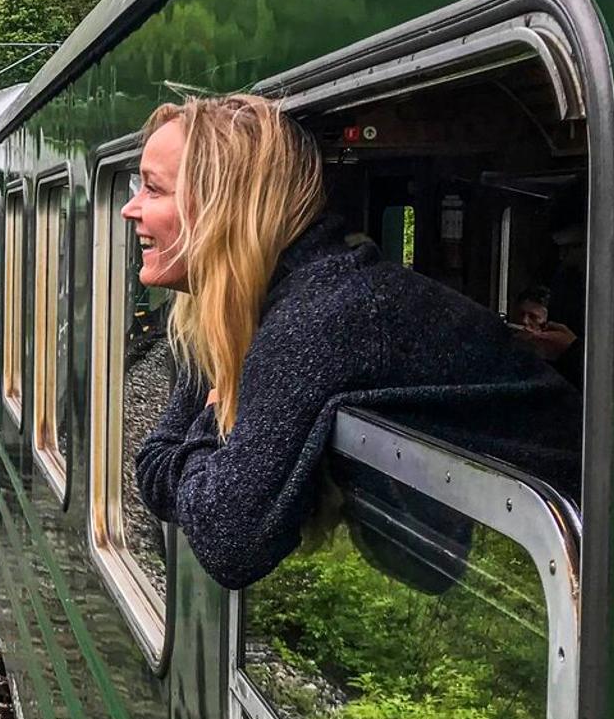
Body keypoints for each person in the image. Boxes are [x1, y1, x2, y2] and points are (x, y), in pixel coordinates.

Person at [128, 95, 579, 590]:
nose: (131, 210)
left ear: (224, 207)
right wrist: (211, 452)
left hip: (586, 556)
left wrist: (215, 422)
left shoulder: (322, 315)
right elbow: (153, 462)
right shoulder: (256, 305)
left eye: (153, 189)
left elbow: (226, 541)